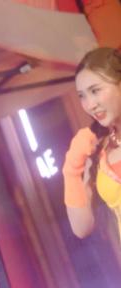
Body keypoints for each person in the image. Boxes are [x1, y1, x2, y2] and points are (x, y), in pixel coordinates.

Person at [64, 47, 121, 240]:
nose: (90, 105)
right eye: (82, 96)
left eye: (95, 91)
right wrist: (72, 170)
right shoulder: (99, 152)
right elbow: (81, 228)